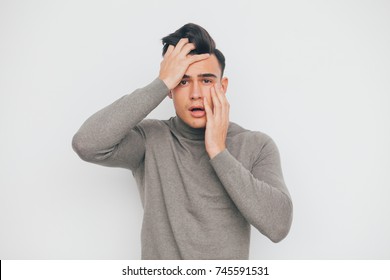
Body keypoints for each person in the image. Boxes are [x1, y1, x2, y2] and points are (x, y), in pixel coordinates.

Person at [72, 23, 293, 260]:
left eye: (207, 81)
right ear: (170, 90)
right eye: (183, 81)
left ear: (223, 86)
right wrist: (161, 82)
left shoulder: (255, 145)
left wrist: (218, 151)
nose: (196, 93)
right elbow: (86, 144)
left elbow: (278, 226)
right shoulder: (150, 140)